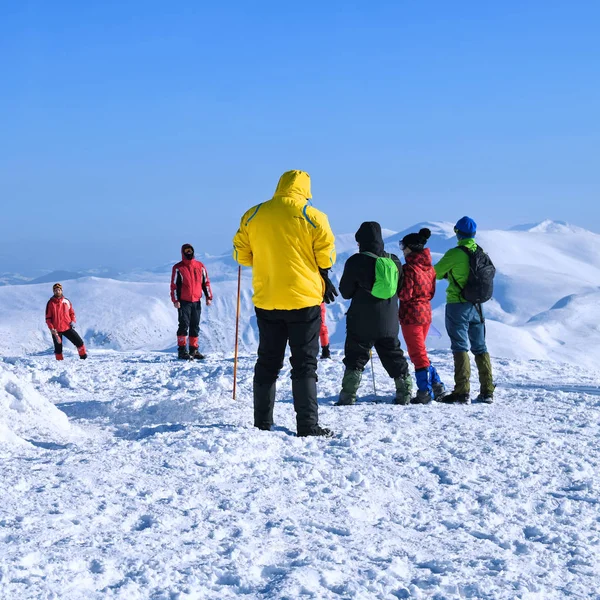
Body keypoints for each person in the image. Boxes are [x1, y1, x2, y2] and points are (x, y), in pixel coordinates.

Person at [233, 169, 337, 437]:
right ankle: (307, 425)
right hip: (304, 300)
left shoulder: (253, 214)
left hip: (267, 299)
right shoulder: (314, 216)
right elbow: (326, 259)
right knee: (304, 363)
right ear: (306, 189)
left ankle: (262, 423)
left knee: (268, 361)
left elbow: (242, 255)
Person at [336, 221, 412, 406]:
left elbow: (345, 292)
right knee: (393, 354)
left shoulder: (355, 261)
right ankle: (405, 392)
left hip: (361, 319)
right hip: (389, 319)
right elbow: (399, 287)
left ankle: (348, 395)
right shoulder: (394, 261)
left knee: (356, 356)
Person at [434, 216, 494, 403]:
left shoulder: (455, 253)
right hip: (477, 306)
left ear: (458, 233)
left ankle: (462, 391)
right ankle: (487, 391)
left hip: (457, 304)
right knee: (480, 347)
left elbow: (435, 273)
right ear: (474, 234)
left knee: (460, 347)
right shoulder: (482, 253)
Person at [399, 228, 446, 403]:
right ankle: (437, 384)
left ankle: (424, 392)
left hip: (411, 315)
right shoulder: (430, 268)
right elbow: (432, 292)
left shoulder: (409, 268)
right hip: (426, 313)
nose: (402, 250)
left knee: (417, 354)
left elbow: (405, 294)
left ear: (410, 248)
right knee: (420, 352)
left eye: (403, 246)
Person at [170, 243, 213, 360]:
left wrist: (208, 297)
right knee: (184, 325)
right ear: (183, 253)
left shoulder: (200, 266)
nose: (189, 252)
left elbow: (205, 282)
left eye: (190, 250)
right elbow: (174, 286)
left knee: (195, 325)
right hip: (183, 302)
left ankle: (194, 350)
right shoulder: (178, 268)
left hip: (196, 301)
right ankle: (182, 351)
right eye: (186, 251)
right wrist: (175, 300)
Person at [45, 283, 87, 361]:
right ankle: (60, 363)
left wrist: (73, 321)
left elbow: (72, 313)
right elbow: (48, 318)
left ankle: (83, 358)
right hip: (56, 330)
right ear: (53, 292)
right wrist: (52, 328)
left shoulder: (66, 301)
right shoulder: (50, 303)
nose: (57, 291)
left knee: (79, 342)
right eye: (55, 290)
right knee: (58, 349)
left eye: (59, 290)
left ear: (61, 290)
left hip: (67, 327)